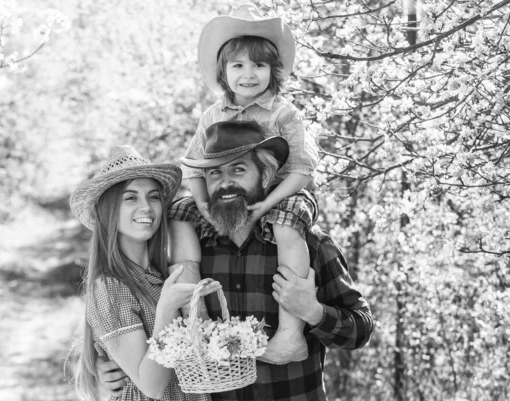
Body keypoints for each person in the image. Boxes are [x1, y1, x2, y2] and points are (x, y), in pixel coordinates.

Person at [99, 122, 374, 401]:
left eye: (238, 170)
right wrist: (101, 369)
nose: (224, 182)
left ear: (265, 175)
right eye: (215, 172)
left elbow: (361, 328)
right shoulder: (187, 254)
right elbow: (128, 313)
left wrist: (313, 311)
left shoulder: (309, 246)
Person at [175, 3, 320, 365]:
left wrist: (267, 206)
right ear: (224, 72)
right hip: (227, 193)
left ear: (274, 70)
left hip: (283, 192)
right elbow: (195, 167)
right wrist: (205, 206)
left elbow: (302, 169)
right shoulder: (213, 114)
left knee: (287, 228)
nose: (249, 74)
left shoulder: (284, 113)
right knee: (179, 214)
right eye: (238, 65)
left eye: (259, 65)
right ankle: (200, 320)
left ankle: (290, 332)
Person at [69, 145, 220, 401]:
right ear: (109, 212)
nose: (146, 208)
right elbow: (152, 386)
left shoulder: (159, 276)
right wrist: (166, 310)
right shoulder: (110, 286)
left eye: (153, 197)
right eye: (130, 198)